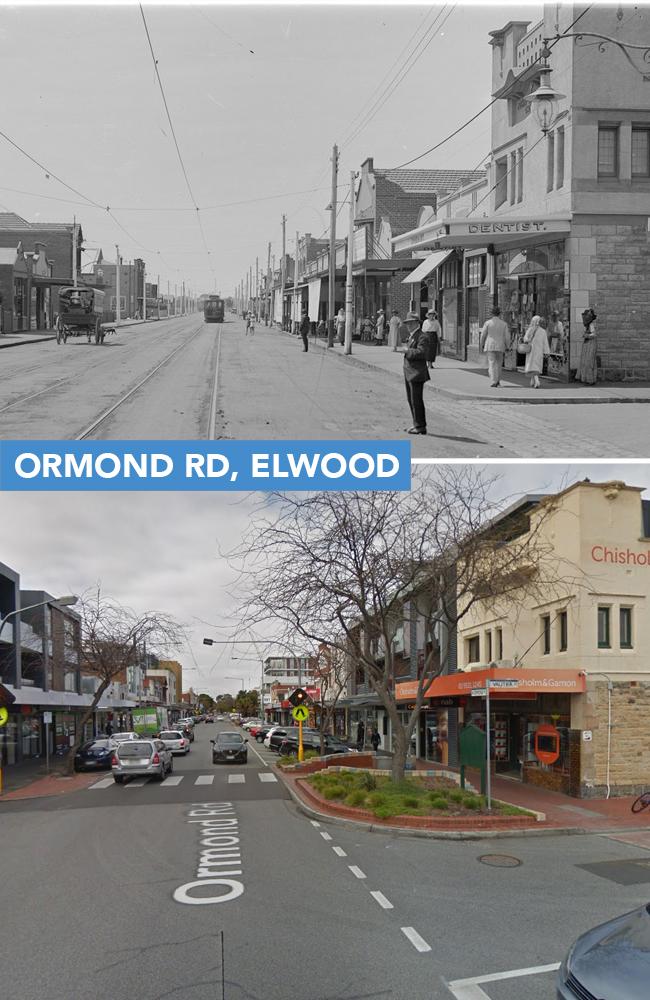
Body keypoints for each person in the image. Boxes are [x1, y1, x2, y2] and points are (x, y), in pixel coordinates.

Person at [403, 310, 431, 435]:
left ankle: (420, 426)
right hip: (410, 372)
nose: (408, 326)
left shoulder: (422, 336)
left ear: (416, 323)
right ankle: (416, 424)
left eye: (410, 323)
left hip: (417, 373)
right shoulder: (413, 336)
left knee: (416, 400)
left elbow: (422, 352)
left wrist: (407, 351)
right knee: (411, 399)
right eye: (407, 323)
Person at [479, 305, 511, 387]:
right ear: (499, 314)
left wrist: (481, 344)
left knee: (491, 363)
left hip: (490, 345)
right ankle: (498, 381)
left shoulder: (488, 323)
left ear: (491, 314)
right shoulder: (504, 324)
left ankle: (494, 381)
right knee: (499, 364)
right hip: (500, 346)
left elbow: (483, 335)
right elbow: (507, 337)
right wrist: (508, 346)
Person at [523, 315, 550, 388]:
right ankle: (533, 381)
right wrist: (547, 352)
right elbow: (545, 342)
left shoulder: (530, 330)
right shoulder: (543, 331)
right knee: (536, 367)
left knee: (532, 366)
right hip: (539, 352)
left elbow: (525, 339)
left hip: (531, 351)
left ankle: (537, 381)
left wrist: (528, 340)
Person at [576, 308, 598, 384]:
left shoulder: (591, 324)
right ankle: (586, 378)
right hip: (587, 343)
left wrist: (586, 335)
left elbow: (594, 334)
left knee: (589, 361)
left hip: (591, 343)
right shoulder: (589, 324)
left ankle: (590, 379)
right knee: (585, 360)